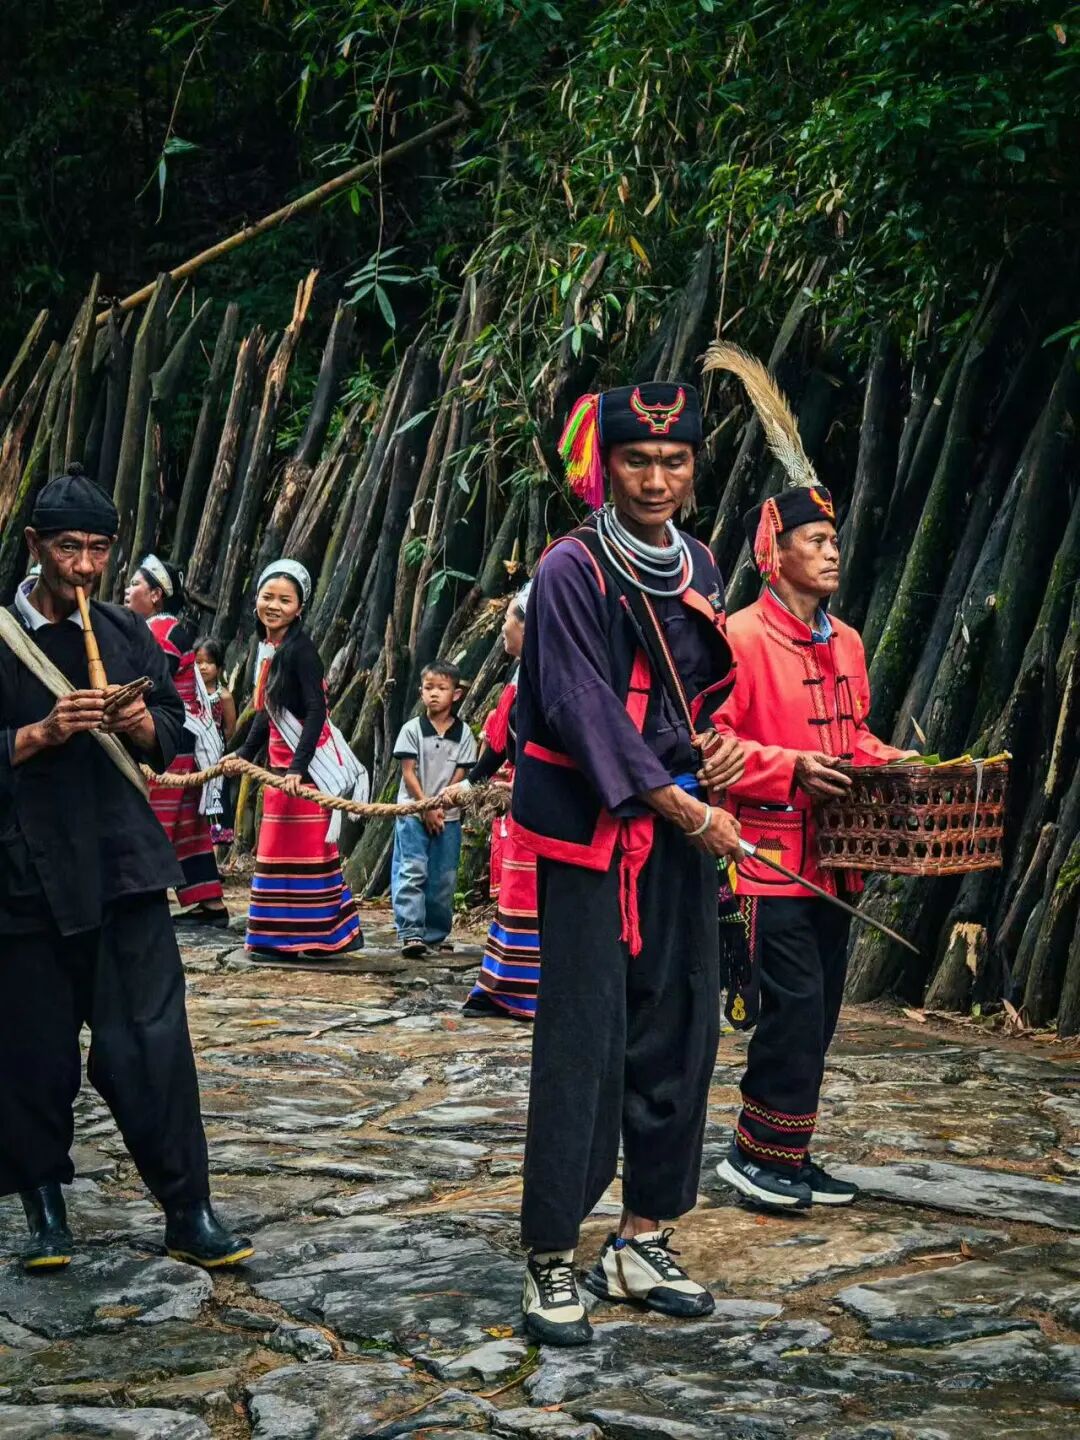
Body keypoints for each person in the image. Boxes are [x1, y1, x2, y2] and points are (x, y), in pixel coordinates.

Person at [511, 382, 745, 1347]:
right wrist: (683, 802)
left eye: (674, 461)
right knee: (583, 1040)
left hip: (678, 832)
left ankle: (641, 1237)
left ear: (695, 471)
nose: (656, 478)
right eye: (637, 461)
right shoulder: (571, 568)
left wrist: (720, 748)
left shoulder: (699, 563)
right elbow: (579, 703)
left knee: (681, 1022)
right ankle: (550, 1255)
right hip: (596, 831)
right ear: (605, 467)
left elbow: (703, 693)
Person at [0, 464, 251, 1271]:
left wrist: (143, 721)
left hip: (122, 865)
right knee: (29, 1050)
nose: (80, 567)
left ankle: (188, 1208)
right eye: (66, 548)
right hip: (22, 876)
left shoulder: (123, 631)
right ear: (35, 545)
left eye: (98, 550)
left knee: (151, 1042)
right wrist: (35, 735)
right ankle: (43, 1211)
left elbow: (178, 735)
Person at [704, 343, 911, 1213]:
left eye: (834, 540)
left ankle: (780, 1152)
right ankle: (758, 1162)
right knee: (788, 1013)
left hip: (836, 864)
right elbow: (707, 749)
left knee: (819, 1015)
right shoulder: (736, 637)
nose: (831, 553)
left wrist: (900, 763)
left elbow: (853, 734)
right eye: (815, 541)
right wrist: (793, 767)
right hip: (764, 863)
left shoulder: (851, 640)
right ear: (773, 550)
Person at [231, 560, 365, 960]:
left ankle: (322, 937)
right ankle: (275, 938)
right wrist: (241, 755)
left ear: (299, 608)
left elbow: (315, 711)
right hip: (279, 772)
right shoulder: (267, 649)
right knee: (274, 856)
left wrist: (296, 769)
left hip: (303, 774)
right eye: (268, 597)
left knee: (307, 857)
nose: (274, 605)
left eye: (284, 600)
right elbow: (265, 713)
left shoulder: (301, 651)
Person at [124, 557, 227, 927]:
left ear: (155, 595)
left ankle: (142, 902)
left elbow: (149, 683)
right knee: (187, 824)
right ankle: (209, 901)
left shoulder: (162, 632)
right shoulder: (159, 628)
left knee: (157, 819)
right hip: (188, 739)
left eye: (135, 583)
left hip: (173, 741)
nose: (127, 589)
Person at [459, 583, 539, 1020]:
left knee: (531, 894)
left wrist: (527, 786)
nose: (503, 626)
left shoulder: (545, 678)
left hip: (540, 803)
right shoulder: (521, 675)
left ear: (529, 628)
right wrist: (472, 782)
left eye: (510, 617)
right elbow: (498, 742)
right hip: (522, 797)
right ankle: (503, 986)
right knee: (516, 893)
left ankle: (527, 992)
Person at [391, 660, 478, 958]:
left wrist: (441, 804)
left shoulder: (464, 733)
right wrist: (426, 807)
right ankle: (411, 932)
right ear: (420, 692)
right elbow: (408, 772)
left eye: (442, 688)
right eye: (429, 688)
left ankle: (435, 933)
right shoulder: (412, 729)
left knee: (444, 876)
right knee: (412, 870)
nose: (434, 695)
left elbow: (462, 773)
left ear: (456, 694)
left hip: (449, 815)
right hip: (413, 812)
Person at [194, 636, 237, 856]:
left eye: (208, 662)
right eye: (198, 662)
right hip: (193, 760)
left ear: (219, 667)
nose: (203, 667)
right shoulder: (190, 695)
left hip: (215, 759)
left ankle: (211, 860)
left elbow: (230, 728)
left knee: (215, 807)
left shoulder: (224, 697)